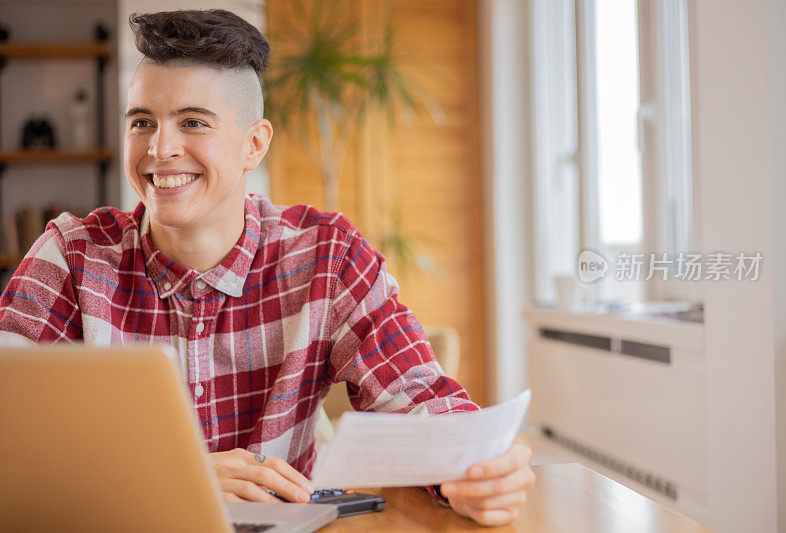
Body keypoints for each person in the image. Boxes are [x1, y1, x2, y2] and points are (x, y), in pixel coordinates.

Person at [0, 9, 535, 526]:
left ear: (254, 144)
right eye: (142, 122)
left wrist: (477, 472)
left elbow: (420, 396)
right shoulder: (71, 256)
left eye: (192, 122)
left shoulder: (327, 255)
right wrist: (184, 478)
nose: (159, 149)